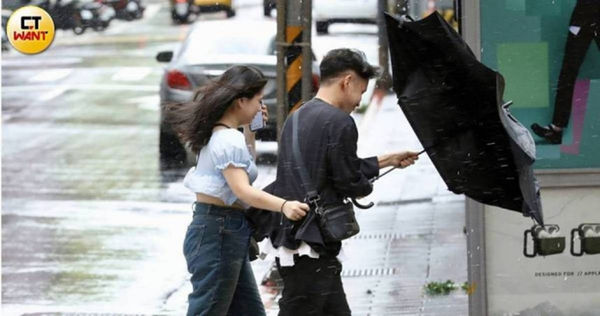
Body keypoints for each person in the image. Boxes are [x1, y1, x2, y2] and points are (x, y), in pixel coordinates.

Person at [251, 48, 419, 316]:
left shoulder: (299, 116)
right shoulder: (340, 123)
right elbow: (347, 180)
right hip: (312, 240)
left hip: (293, 233)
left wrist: (386, 160)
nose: (358, 101)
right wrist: (365, 186)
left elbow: (321, 167)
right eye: (362, 92)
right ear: (347, 81)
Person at [166, 65, 309, 316]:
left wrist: (249, 132)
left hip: (222, 229)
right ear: (241, 101)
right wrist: (284, 205)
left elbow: (244, 172)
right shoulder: (227, 139)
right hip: (219, 232)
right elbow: (243, 190)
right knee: (208, 310)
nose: (259, 106)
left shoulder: (222, 134)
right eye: (258, 100)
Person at [531, 0, 600, 144]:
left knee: (568, 72)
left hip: (589, 17)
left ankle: (556, 129)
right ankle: (556, 128)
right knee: (567, 71)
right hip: (582, 19)